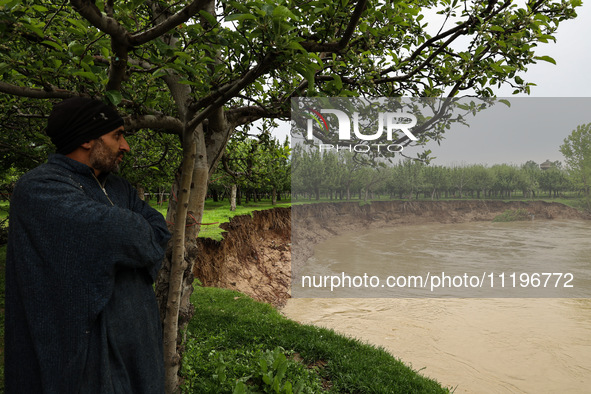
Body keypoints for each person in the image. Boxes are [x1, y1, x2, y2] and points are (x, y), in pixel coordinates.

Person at [5, 97, 171, 393]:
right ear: (85, 139)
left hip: (136, 349)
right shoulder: (40, 188)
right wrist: (131, 233)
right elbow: (125, 233)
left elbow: (158, 229)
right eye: (117, 136)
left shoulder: (119, 188)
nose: (125, 147)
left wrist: (129, 237)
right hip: (85, 354)